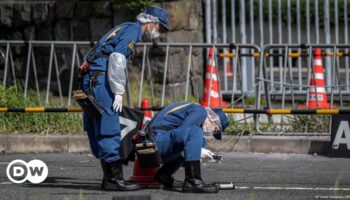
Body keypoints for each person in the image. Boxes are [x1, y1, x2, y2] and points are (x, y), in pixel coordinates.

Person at [79, 6, 169, 191]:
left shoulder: (124, 26)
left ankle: (109, 177)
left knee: (96, 124)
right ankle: (114, 179)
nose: (159, 33)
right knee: (109, 125)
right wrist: (118, 91)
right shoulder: (133, 31)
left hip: (91, 77)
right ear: (151, 23)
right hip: (101, 79)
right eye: (160, 28)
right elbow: (118, 59)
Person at [149, 102, 229, 193]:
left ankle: (164, 174)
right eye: (215, 129)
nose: (211, 131)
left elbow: (181, 138)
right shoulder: (201, 111)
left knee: (200, 141)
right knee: (194, 132)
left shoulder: (193, 109)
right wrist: (199, 152)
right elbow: (186, 132)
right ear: (213, 118)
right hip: (156, 142)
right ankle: (193, 181)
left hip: (153, 146)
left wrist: (198, 154)